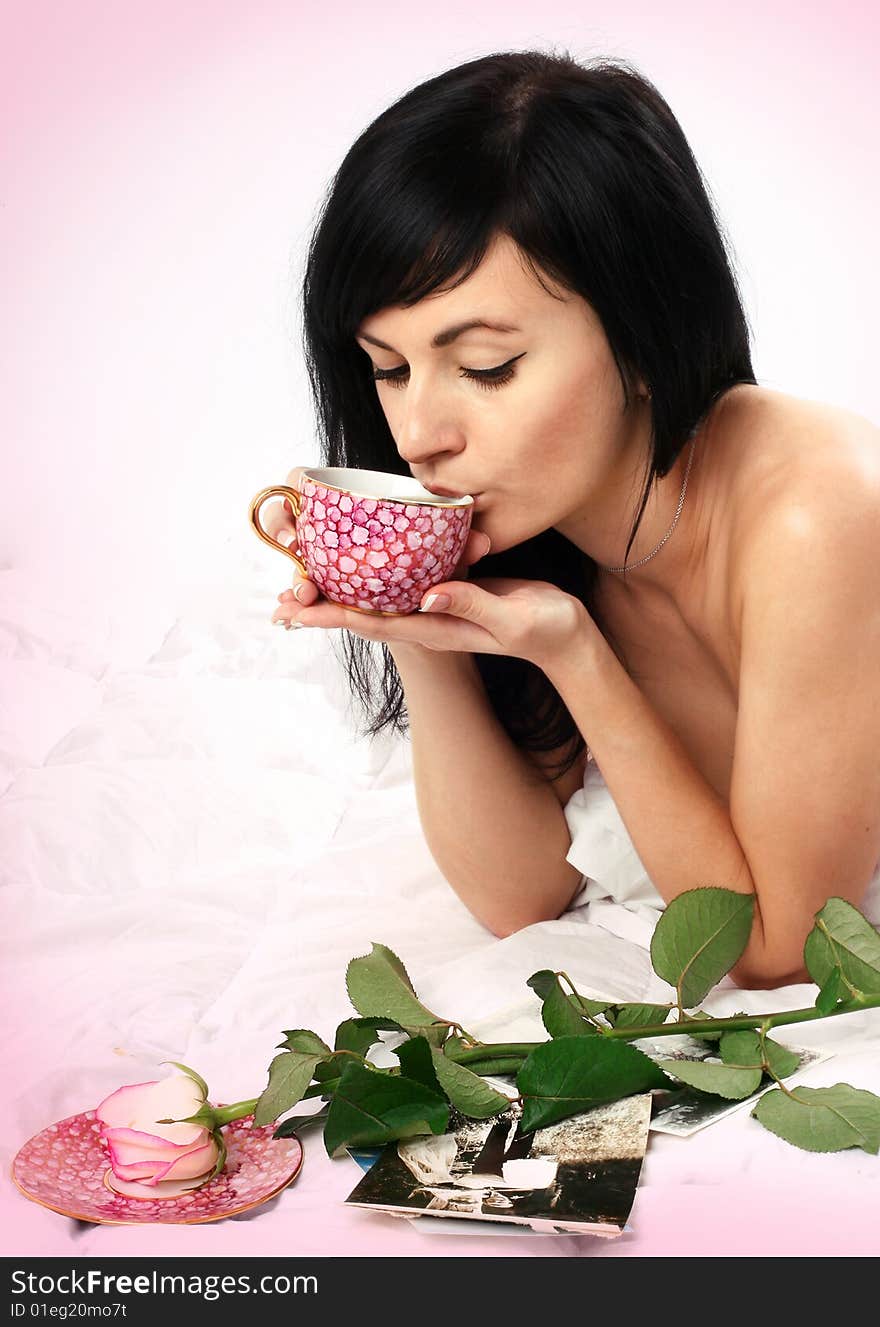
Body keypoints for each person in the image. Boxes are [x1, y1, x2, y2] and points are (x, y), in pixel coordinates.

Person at [262, 49, 880, 989]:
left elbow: (778, 950)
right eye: (389, 369)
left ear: (641, 334)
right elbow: (520, 895)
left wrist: (578, 657)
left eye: (486, 367)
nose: (420, 434)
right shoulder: (553, 529)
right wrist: (411, 627)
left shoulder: (815, 514)